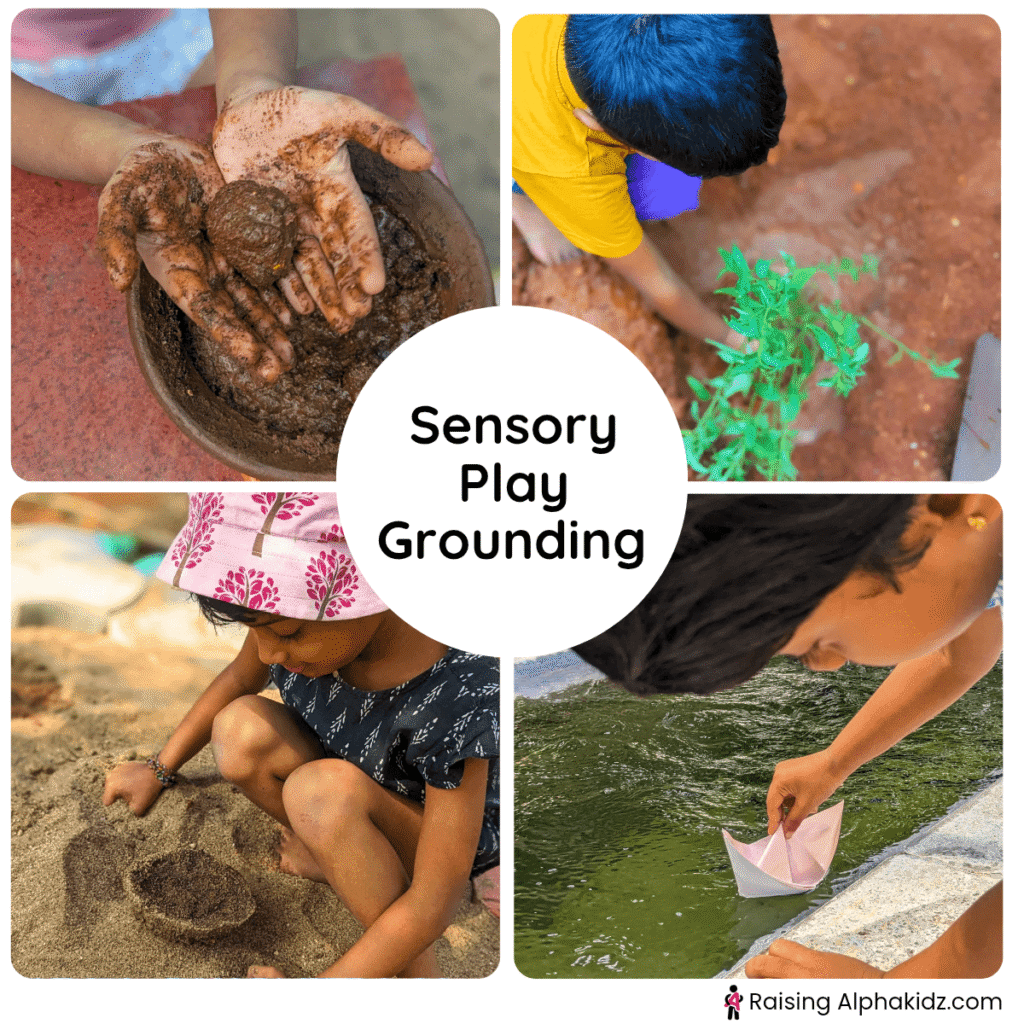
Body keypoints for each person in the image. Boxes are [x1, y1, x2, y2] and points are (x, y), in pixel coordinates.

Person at [573, 494, 1002, 979]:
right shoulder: (979, 541)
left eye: (818, 643)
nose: (827, 664)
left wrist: (900, 989)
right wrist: (836, 761)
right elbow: (958, 650)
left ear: (935, 510)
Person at [102, 492, 499, 978]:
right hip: (350, 779)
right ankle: (336, 852)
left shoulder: (461, 688)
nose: (268, 654)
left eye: (286, 634)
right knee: (241, 729)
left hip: (442, 840)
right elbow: (237, 679)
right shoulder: (291, 612)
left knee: (322, 794)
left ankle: (418, 978)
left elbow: (434, 903)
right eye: (259, 632)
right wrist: (159, 768)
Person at [12, 9, 433, 384]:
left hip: (174, 31)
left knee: (198, 104)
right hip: (28, 79)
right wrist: (117, 150)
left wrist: (253, 82)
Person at [512, 14, 786, 350]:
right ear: (594, 123)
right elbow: (658, 284)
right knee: (669, 192)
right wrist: (729, 337)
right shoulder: (576, 172)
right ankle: (520, 200)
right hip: (520, 134)